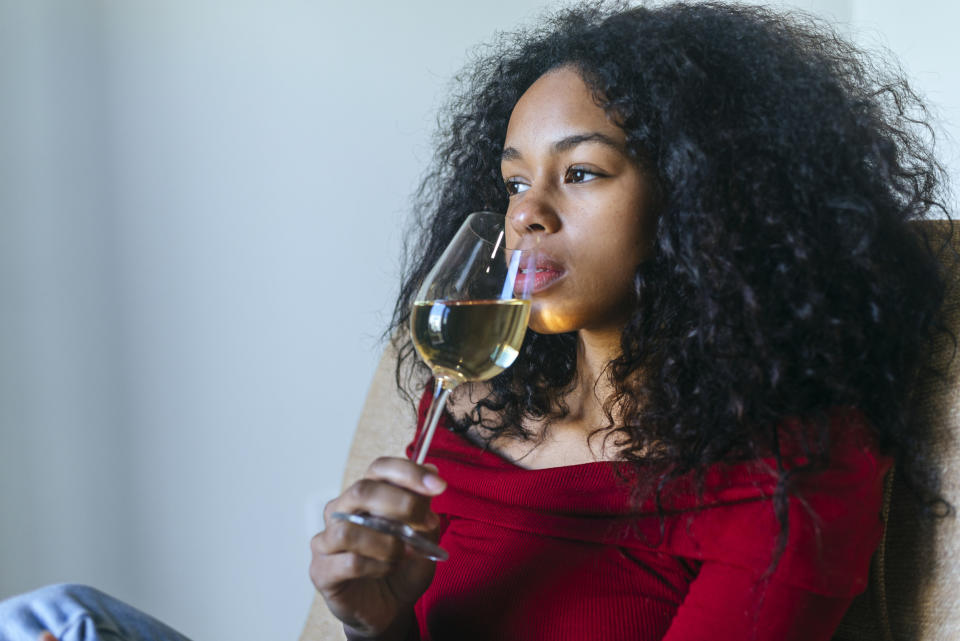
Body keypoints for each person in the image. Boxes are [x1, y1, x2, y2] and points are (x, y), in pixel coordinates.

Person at [0, 2, 951, 641]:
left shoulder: (790, 467)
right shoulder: (481, 403)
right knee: (53, 616)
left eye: (580, 173)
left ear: (706, 200)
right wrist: (373, 621)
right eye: (512, 182)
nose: (525, 215)